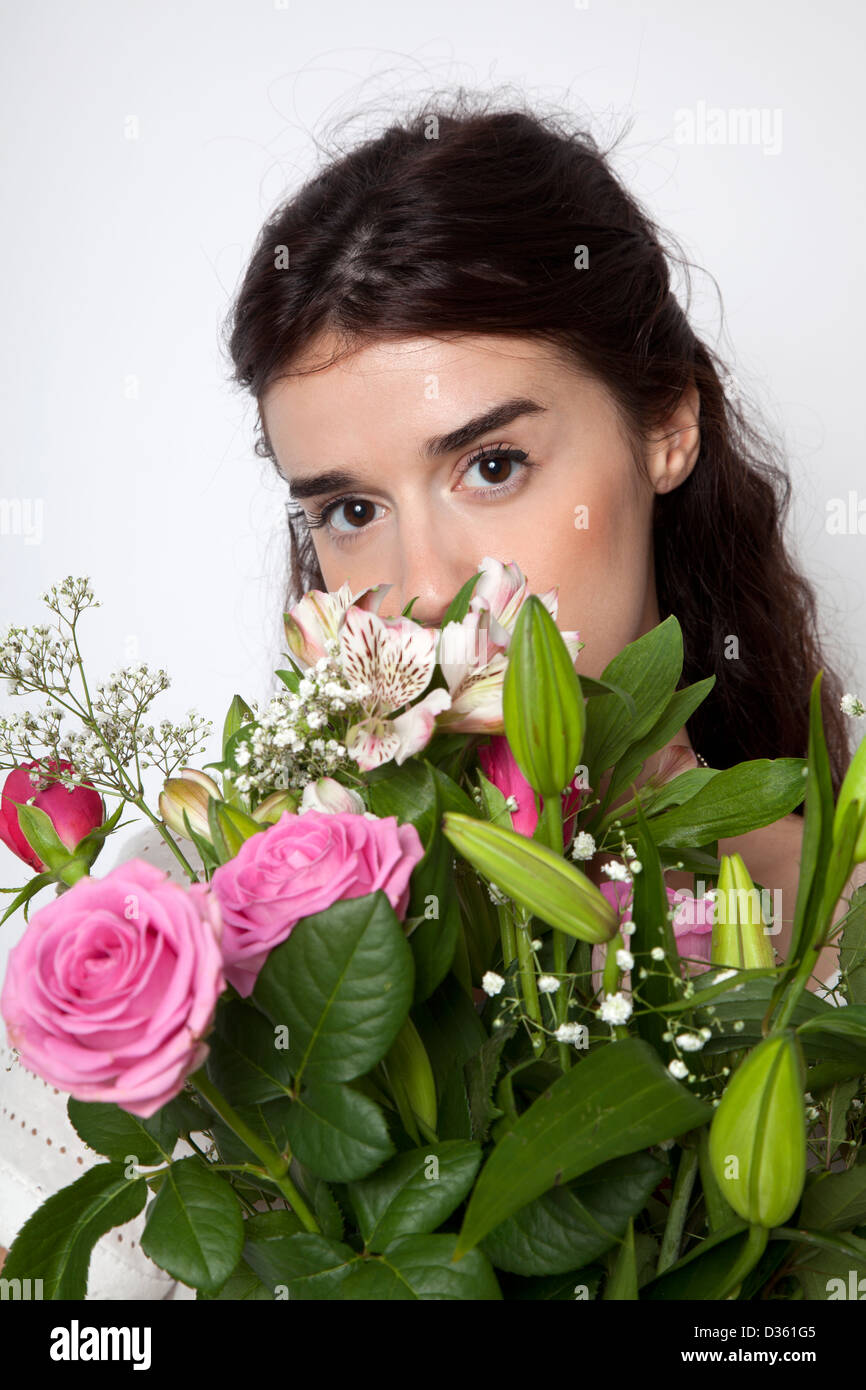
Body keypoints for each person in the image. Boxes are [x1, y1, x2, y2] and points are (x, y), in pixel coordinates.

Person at [2, 92, 864, 1295]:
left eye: (492, 465)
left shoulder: (839, 921)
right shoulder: (193, 922)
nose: (424, 591)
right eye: (350, 511)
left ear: (667, 425)